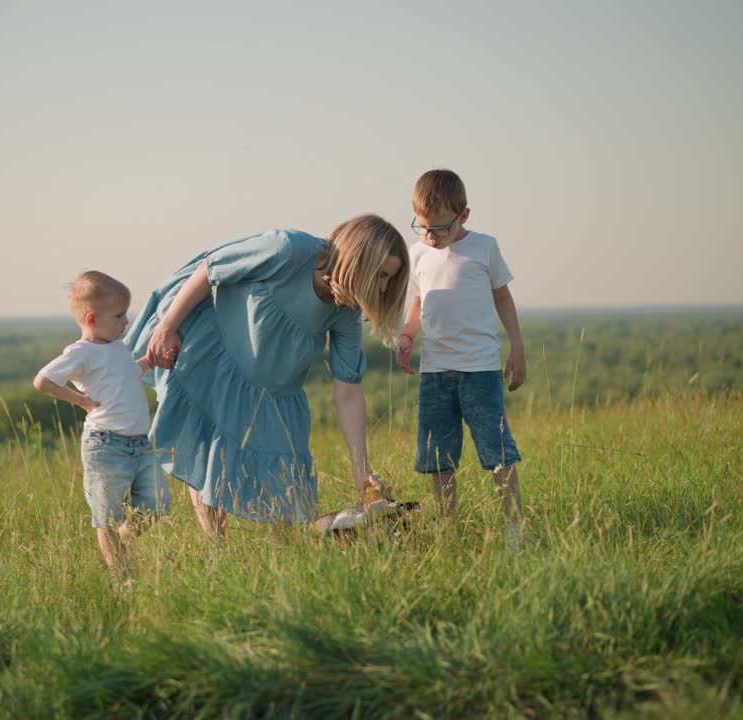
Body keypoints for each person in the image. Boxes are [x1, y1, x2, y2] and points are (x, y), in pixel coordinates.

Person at [126, 214, 409, 540]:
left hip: (275, 391)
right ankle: (221, 556)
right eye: (382, 276)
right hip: (218, 357)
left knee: (285, 484)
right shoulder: (288, 250)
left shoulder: (346, 312)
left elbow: (348, 391)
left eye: (391, 279)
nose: (385, 287)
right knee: (208, 461)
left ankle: (284, 562)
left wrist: (362, 471)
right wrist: (168, 327)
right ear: (360, 261)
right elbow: (210, 269)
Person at [395, 169, 527, 551]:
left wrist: (517, 346)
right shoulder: (419, 254)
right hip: (435, 372)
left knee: (497, 450)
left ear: (464, 216)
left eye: (440, 229)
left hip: (480, 369)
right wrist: (406, 335)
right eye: (423, 228)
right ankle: (447, 531)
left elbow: (503, 298)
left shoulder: (484, 247)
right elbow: (420, 303)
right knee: (439, 458)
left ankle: (514, 528)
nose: (431, 237)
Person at [33, 270, 168, 586]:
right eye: (119, 316)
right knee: (108, 518)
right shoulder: (81, 352)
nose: (126, 322)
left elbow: (123, 376)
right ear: (92, 319)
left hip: (140, 444)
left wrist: (148, 361)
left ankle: (123, 539)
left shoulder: (117, 347)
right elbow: (42, 381)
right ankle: (121, 578)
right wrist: (79, 400)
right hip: (105, 445)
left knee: (157, 505)